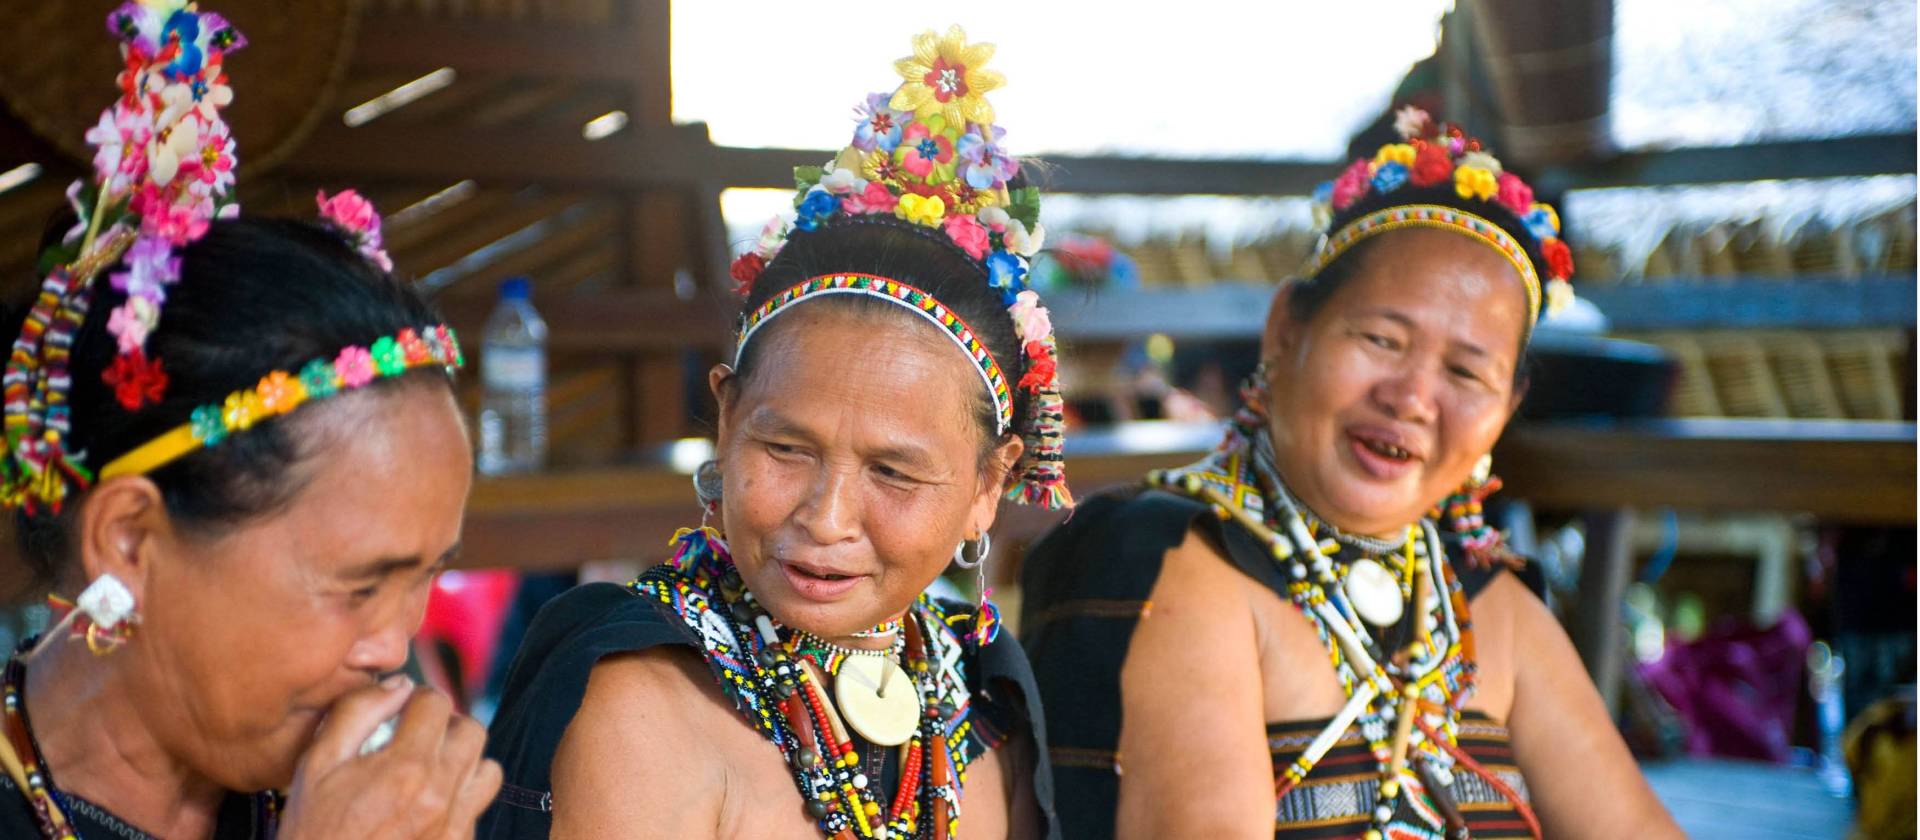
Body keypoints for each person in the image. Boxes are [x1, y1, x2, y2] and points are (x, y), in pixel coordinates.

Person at [1020, 109, 1684, 839]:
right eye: (1380, 339)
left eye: (1466, 372)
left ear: (1508, 408)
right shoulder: (1166, 553)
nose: (1411, 399)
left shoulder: (1494, 606)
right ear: (1286, 330)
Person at [481, 25, 1063, 840]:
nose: (825, 519)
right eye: (786, 450)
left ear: (989, 485)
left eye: (894, 473)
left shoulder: (985, 709)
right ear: (726, 419)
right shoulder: (644, 705)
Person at [0, 3, 499, 837]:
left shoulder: (366, 785)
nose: (391, 650)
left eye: (422, 580)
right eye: (361, 585)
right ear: (129, 543)